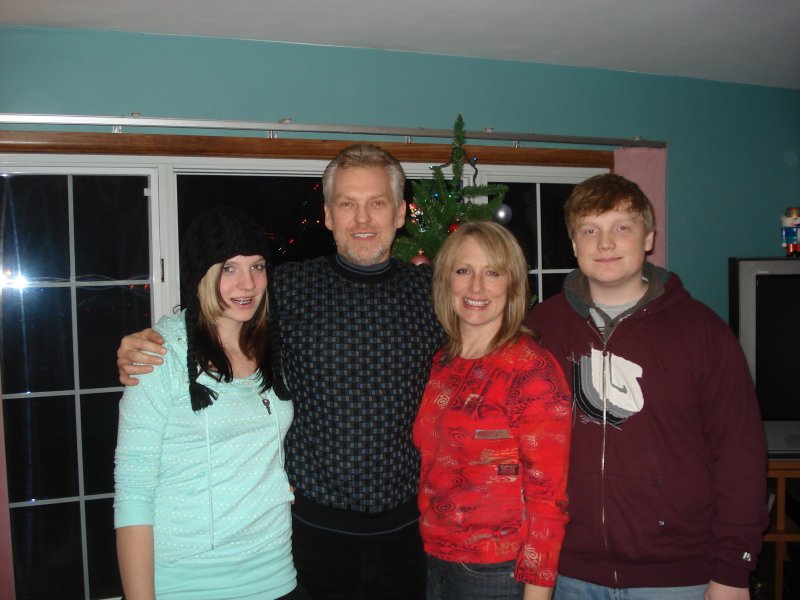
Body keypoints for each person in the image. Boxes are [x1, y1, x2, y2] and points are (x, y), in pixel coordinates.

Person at [115, 144, 445, 599]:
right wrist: (145, 343)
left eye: (377, 203)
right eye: (347, 204)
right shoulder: (287, 290)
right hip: (311, 535)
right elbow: (214, 314)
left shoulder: (434, 296)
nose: (363, 219)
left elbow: (492, 338)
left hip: (409, 530)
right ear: (328, 215)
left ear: (401, 213)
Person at [524, 174, 768, 600]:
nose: (605, 244)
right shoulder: (541, 329)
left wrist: (733, 572)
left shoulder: (703, 332)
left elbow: (740, 455)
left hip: (678, 579)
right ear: (573, 243)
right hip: (566, 575)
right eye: (590, 230)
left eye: (622, 227)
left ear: (649, 237)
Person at [114, 207, 307, 600]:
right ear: (203, 275)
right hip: (189, 579)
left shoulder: (272, 344)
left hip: (274, 569)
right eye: (229, 268)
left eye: (257, 266)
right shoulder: (160, 353)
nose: (248, 283)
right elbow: (134, 490)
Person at [414, 221, 572, 600]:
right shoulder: (444, 362)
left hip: (497, 573)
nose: (477, 287)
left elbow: (548, 503)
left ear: (512, 285)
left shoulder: (531, 370)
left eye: (493, 272)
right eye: (463, 270)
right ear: (445, 282)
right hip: (435, 558)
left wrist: (537, 594)